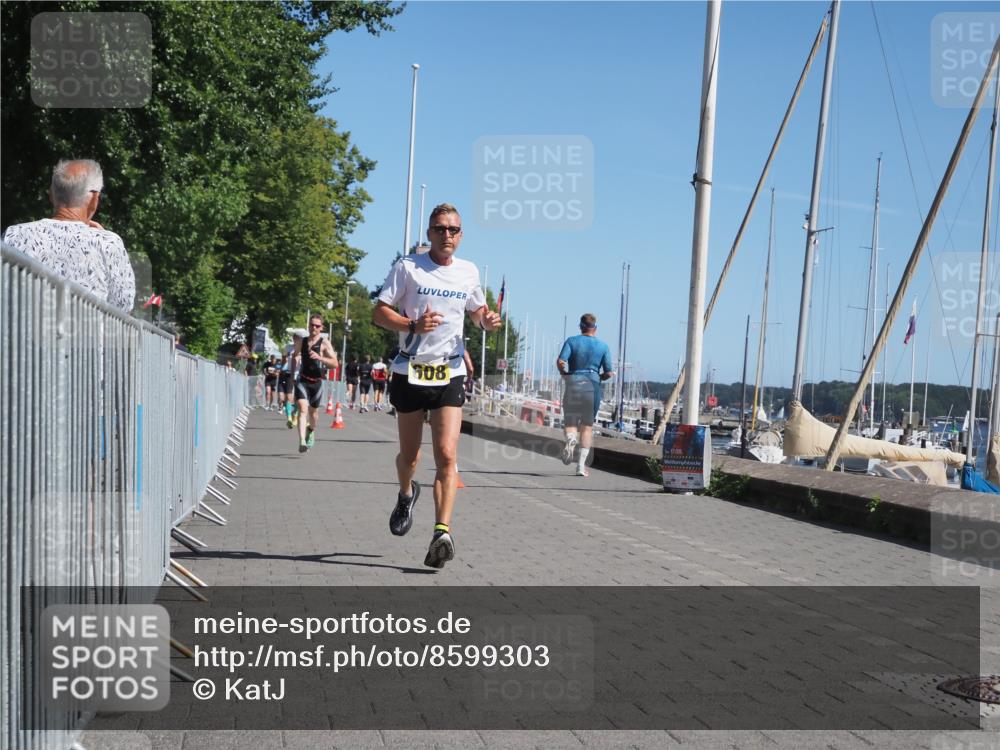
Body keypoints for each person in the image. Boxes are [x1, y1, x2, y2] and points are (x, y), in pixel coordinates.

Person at [374, 203, 501, 569]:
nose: (447, 235)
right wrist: (412, 325)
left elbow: (477, 312)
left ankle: (441, 532)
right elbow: (379, 312)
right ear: (429, 233)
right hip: (410, 370)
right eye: (440, 229)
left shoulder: (468, 272)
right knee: (410, 457)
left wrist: (487, 321)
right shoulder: (408, 267)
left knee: (447, 455)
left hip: (449, 371)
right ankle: (405, 492)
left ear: (461, 235)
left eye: (454, 230)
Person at [3, 159, 135, 313]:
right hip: (87, 336)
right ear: (94, 199)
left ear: (51, 195)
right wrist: (105, 238)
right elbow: (123, 305)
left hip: (23, 336)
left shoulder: (14, 235)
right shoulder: (108, 242)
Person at [556, 313, 614, 477]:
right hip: (592, 385)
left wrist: (564, 373)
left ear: (581, 326)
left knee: (571, 420)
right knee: (587, 427)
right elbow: (608, 373)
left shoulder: (572, 341)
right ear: (595, 328)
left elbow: (560, 361)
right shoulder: (603, 346)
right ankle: (581, 467)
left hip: (574, 382)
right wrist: (602, 377)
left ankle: (570, 439)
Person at [292, 316, 339, 452]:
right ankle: (301, 441)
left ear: (321, 328)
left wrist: (320, 358)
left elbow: (335, 363)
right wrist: (293, 373)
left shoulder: (325, 343)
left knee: (313, 414)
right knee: (302, 409)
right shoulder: (302, 341)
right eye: (312, 325)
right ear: (308, 325)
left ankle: (310, 430)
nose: (314, 328)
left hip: (316, 383)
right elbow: (295, 355)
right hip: (303, 380)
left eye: (317, 326)